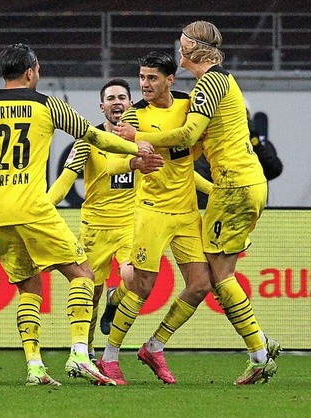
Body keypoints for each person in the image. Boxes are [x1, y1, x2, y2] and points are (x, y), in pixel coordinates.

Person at [0, 43, 156, 386]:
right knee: (82, 273)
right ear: (30, 72)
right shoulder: (48, 105)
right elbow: (96, 137)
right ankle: (80, 354)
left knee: (30, 287)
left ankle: (35, 366)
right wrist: (134, 146)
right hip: (31, 206)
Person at [113, 21, 280, 385]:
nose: (179, 48)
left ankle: (260, 352)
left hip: (234, 185)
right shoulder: (215, 83)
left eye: (183, 43)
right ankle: (157, 345)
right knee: (207, 280)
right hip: (243, 184)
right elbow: (194, 143)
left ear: (193, 49)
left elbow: (189, 136)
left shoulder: (211, 82)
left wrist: (136, 135)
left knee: (219, 279)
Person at [87, 51, 214, 385]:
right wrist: (133, 163)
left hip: (187, 211)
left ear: (170, 80)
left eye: (152, 78)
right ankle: (109, 357)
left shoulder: (189, 106)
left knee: (201, 285)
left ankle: (154, 346)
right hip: (151, 212)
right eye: (142, 77)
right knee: (142, 286)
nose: (144, 84)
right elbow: (110, 163)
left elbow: (192, 149)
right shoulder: (133, 116)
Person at [47, 78, 163, 364]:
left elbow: (177, 175)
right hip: (95, 228)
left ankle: (116, 299)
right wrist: (41, 208)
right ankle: (85, 352)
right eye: (111, 98)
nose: (117, 102)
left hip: (129, 225)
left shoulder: (141, 141)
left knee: (132, 278)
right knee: (91, 294)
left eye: (122, 97)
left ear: (130, 103)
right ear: (102, 107)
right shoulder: (88, 141)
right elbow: (64, 182)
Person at [195, 104, 283, 208]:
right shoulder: (207, 144)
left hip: (250, 209)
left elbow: (274, 169)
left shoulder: (257, 144)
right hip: (209, 208)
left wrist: (256, 144)